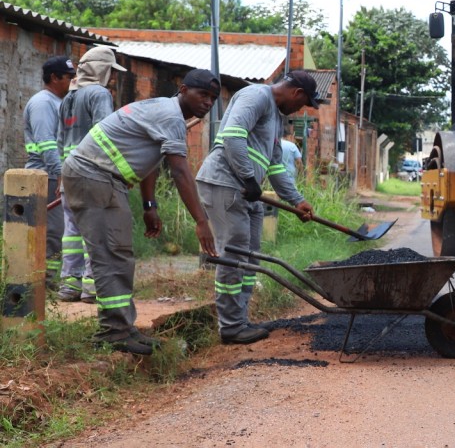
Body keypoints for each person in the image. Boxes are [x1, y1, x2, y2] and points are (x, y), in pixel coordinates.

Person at [61, 69, 220, 355]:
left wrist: (150, 206)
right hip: (93, 175)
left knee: (120, 254)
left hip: (104, 178)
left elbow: (151, 161)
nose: (208, 102)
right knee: (110, 254)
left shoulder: (166, 111)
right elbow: (180, 171)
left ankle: (123, 327)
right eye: (203, 94)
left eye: (213, 98)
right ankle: (113, 332)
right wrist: (201, 221)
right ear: (184, 90)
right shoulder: (171, 117)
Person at [196, 71, 317, 345]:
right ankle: (230, 326)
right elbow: (233, 136)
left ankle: (241, 319)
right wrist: (250, 178)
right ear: (297, 93)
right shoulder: (256, 96)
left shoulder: (276, 118)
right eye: (303, 104)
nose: (299, 110)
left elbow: (275, 167)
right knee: (234, 254)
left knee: (251, 257)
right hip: (226, 183)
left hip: (248, 191)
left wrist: (297, 200)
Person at [55, 46, 126, 303]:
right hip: (91, 173)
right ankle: (93, 288)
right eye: (110, 70)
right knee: (95, 231)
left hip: (69, 175)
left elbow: (60, 140)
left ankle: (69, 286)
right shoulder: (99, 94)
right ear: (100, 70)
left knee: (72, 232)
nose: (113, 77)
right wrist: (119, 171)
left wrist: (62, 177)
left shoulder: (68, 98)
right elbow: (105, 134)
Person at [23, 55, 76, 289]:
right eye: (69, 77)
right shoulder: (43, 103)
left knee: (58, 231)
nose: (73, 81)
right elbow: (46, 143)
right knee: (53, 232)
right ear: (54, 78)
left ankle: (47, 283)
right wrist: (59, 174)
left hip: (55, 175)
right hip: (47, 176)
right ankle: (43, 285)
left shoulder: (58, 102)